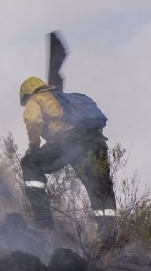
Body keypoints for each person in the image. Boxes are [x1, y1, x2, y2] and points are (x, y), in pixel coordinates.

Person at [18, 76, 116, 236]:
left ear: (27, 93)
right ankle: (109, 235)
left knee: (30, 164)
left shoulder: (36, 99)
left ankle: (44, 224)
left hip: (69, 141)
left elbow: (34, 121)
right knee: (100, 187)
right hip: (96, 141)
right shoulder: (66, 99)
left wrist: (33, 149)